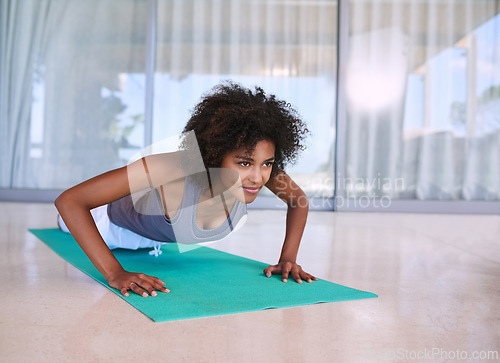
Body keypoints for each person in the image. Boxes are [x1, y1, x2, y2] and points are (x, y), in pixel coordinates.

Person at [55, 81, 318, 298]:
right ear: (213, 155)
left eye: (267, 163)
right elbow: (69, 202)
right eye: (244, 163)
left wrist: (288, 258)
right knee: (65, 221)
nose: (258, 177)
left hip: (154, 239)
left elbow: (299, 200)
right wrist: (114, 272)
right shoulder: (169, 167)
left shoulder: (259, 173)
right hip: (109, 224)